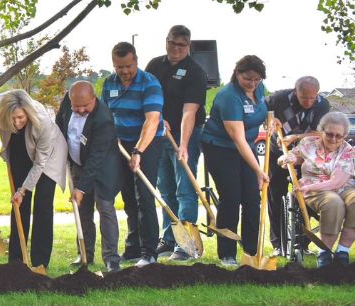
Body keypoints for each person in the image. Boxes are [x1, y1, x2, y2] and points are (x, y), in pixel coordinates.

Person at [145, 25, 208, 261]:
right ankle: (169, 238)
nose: (176, 48)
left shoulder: (195, 72)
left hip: (187, 135)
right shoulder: (154, 65)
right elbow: (148, 97)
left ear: (188, 46)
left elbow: (189, 112)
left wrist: (183, 144)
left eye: (181, 45)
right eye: (172, 43)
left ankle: (187, 243)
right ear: (166, 41)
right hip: (159, 134)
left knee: (185, 189)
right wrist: (158, 120)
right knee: (165, 189)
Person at [278, 111, 355, 267]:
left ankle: (343, 251)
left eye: (339, 136)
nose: (334, 139)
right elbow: (292, 156)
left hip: (338, 187)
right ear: (321, 131)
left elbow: (337, 182)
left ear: (345, 135)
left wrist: (308, 187)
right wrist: (287, 158)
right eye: (329, 134)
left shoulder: (347, 150)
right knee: (333, 202)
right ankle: (325, 252)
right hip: (315, 193)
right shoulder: (308, 143)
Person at [201, 55, 269, 266]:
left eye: (257, 79)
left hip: (245, 147)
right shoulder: (229, 97)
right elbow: (238, 139)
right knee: (231, 197)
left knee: (252, 198)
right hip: (220, 148)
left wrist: (271, 119)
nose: (252, 83)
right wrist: (258, 170)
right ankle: (227, 254)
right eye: (248, 79)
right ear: (237, 73)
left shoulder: (259, 88)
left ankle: (251, 251)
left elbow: (261, 111)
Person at [101, 42, 165, 267]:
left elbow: (152, 120)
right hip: (120, 144)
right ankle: (134, 246)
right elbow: (106, 114)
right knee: (128, 195)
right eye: (119, 67)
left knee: (144, 195)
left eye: (128, 66)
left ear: (136, 61)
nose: (124, 71)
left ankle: (150, 252)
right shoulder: (109, 83)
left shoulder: (150, 83)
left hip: (148, 143)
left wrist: (138, 151)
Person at [0, 89, 68, 270]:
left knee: (43, 204)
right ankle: (16, 261)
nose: (16, 122)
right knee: (19, 205)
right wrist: (19, 192)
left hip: (49, 157)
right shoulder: (6, 118)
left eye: (20, 117)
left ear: (27, 112)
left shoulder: (41, 121)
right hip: (21, 150)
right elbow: (6, 142)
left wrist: (24, 189)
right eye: (12, 119)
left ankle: (40, 262)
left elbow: (40, 162)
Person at [56, 81, 122, 272]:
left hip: (103, 168)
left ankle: (111, 258)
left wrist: (81, 188)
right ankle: (85, 253)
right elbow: (59, 125)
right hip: (77, 163)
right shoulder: (68, 103)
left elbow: (96, 158)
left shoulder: (103, 119)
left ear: (94, 98)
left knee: (105, 208)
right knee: (82, 211)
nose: (80, 109)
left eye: (85, 106)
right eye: (76, 106)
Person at [266, 76, 330, 256]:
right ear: (296, 91)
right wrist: (270, 118)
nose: (309, 102)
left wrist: (295, 137)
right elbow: (259, 110)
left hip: (306, 154)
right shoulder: (277, 98)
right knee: (275, 195)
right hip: (278, 153)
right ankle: (279, 244)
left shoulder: (322, 105)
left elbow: (320, 132)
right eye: (304, 97)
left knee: (304, 194)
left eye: (312, 97)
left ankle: (302, 243)